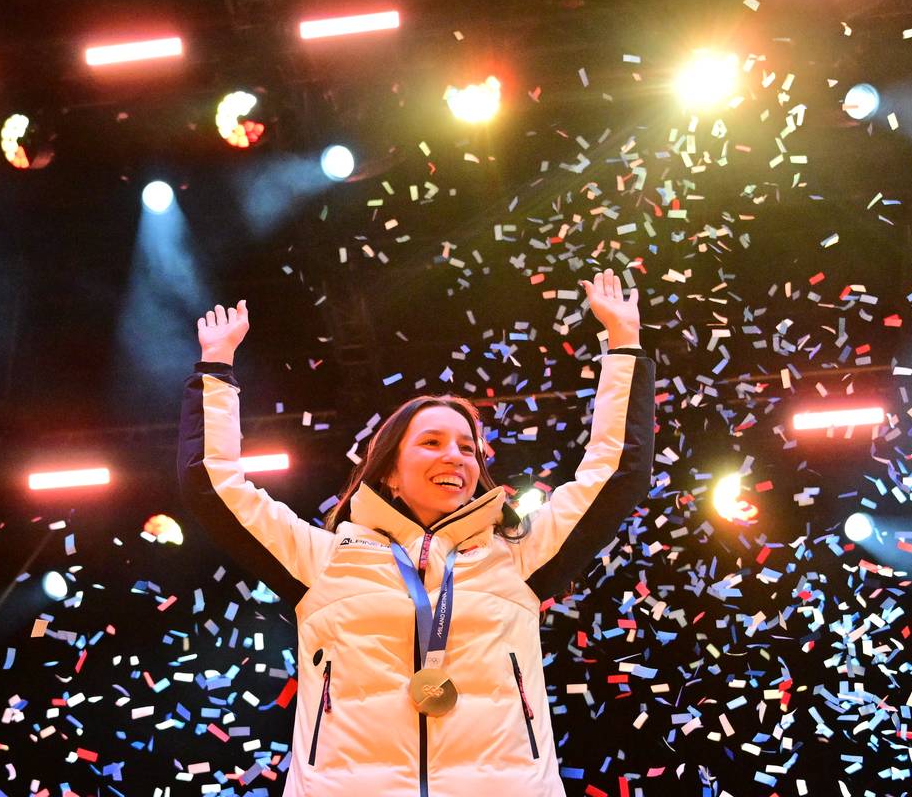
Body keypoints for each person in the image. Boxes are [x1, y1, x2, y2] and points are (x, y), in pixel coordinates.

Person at [177, 268, 655, 797]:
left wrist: (624, 343)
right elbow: (214, 486)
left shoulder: (518, 558)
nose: (455, 455)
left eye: (468, 447)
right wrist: (215, 368)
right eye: (431, 442)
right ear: (388, 471)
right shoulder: (323, 560)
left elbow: (616, 472)